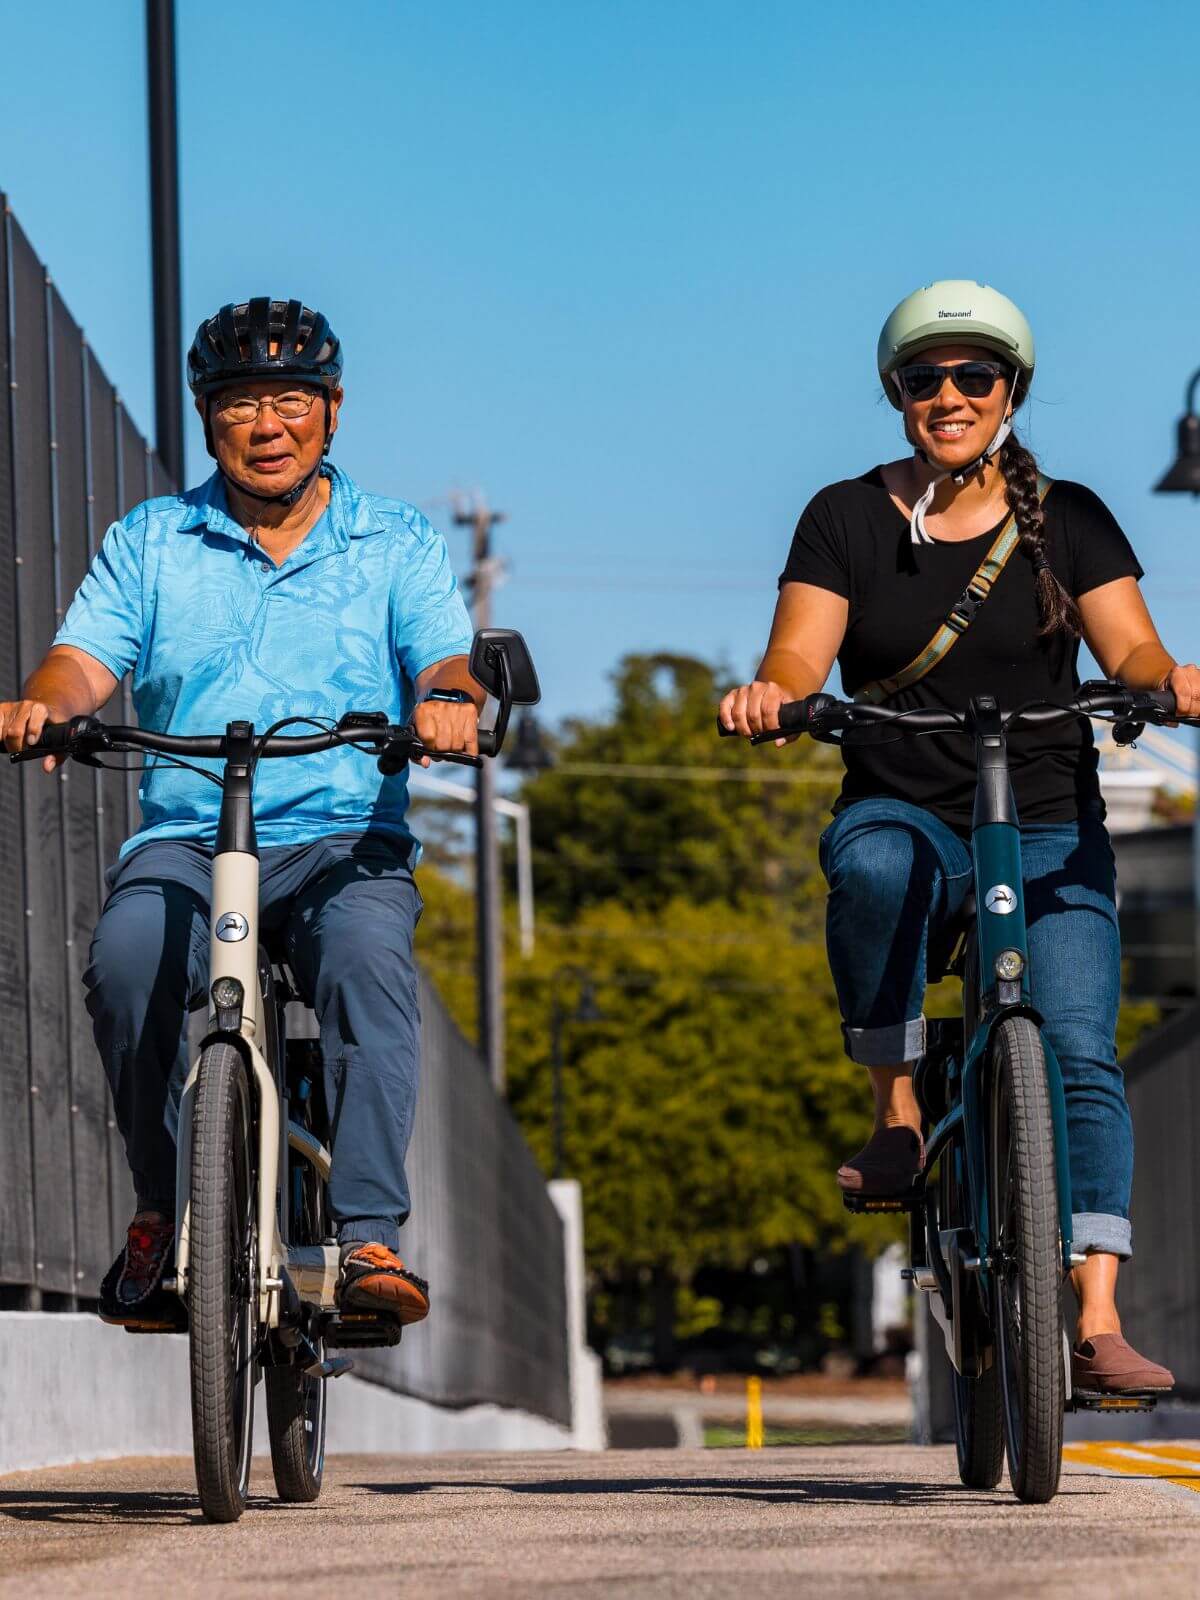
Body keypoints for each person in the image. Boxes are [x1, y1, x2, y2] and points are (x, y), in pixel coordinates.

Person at [720, 279, 1200, 1395]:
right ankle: (896, 1111)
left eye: (973, 377)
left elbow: (1127, 648)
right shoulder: (845, 517)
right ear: (896, 395)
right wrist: (773, 693)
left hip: (1043, 821)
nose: (949, 394)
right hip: (906, 804)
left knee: (1081, 1046)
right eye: (924, 379)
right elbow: (801, 653)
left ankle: (1093, 1313)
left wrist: (1163, 682)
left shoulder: (1068, 518)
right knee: (875, 864)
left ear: (1010, 393)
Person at [0, 299, 481, 1331]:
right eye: (239, 403)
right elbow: (85, 659)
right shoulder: (155, 540)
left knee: (367, 964)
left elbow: (443, 654)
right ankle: (159, 1207)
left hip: (342, 840)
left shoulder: (394, 538)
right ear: (207, 418)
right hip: (186, 837)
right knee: (126, 963)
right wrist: (48, 705)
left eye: (290, 400)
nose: (267, 425)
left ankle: (367, 1237)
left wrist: (447, 700)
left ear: (332, 412)